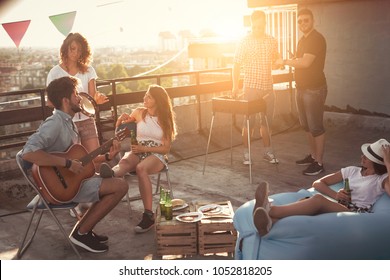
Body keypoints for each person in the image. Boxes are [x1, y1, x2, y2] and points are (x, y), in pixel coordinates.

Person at [21, 76, 128, 253]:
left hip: (72, 181)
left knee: (113, 181)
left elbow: (81, 161)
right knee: (120, 186)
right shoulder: (54, 124)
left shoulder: (68, 123)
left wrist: (108, 157)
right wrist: (66, 163)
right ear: (65, 100)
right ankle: (81, 233)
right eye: (76, 94)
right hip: (60, 188)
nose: (79, 98)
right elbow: (28, 152)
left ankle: (83, 230)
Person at [253, 138, 390, 237]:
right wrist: (336, 195)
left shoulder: (381, 180)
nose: (362, 157)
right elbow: (317, 183)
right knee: (304, 202)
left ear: (379, 162)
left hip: (358, 214)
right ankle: (269, 223)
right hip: (341, 205)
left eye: (367, 156)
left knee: (318, 200)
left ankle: (270, 210)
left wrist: (388, 162)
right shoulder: (351, 170)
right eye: (364, 154)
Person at [100, 84, 177, 233]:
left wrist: (145, 149)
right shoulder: (138, 112)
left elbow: (166, 148)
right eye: (145, 95)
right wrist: (119, 122)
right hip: (138, 150)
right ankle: (109, 176)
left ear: (157, 100)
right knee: (125, 162)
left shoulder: (165, 119)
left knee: (141, 168)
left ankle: (148, 216)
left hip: (156, 154)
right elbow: (120, 133)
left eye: (149, 96)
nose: (144, 98)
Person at [47, 32, 109, 216]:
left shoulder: (88, 70)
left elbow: (92, 98)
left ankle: (89, 198)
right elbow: (50, 101)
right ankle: (74, 201)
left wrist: (98, 99)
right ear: (65, 49)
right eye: (72, 48)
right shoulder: (55, 73)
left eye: (79, 50)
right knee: (73, 163)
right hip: (67, 123)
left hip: (87, 120)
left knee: (94, 159)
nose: (75, 53)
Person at [232, 10, 283, 165]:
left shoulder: (272, 41)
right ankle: (246, 154)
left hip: (268, 89)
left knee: (267, 122)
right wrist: (235, 87)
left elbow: (276, 58)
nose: (257, 30)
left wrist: (279, 60)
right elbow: (236, 65)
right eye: (254, 27)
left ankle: (267, 152)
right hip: (251, 89)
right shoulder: (244, 41)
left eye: (260, 27)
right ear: (251, 25)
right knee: (249, 122)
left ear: (265, 25)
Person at [283, 9, 328, 175]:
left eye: (306, 20)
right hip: (301, 88)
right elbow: (300, 61)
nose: (302, 23)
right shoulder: (302, 40)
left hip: (314, 89)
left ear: (313, 20)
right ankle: (313, 156)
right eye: (300, 21)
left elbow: (306, 63)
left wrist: (286, 61)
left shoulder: (316, 39)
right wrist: (294, 59)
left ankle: (319, 163)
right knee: (307, 127)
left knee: (316, 127)